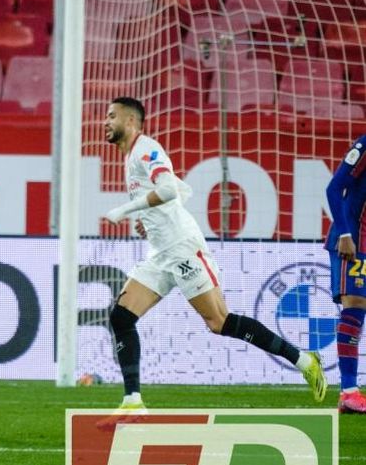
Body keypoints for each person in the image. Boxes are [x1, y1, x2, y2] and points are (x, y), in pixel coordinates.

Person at [101, 96, 326, 412]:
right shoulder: (132, 157)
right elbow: (181, 191)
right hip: (160, 252)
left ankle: (304, 360)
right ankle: (133, 401)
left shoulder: (146, 148)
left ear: (130, 121)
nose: (105, 122)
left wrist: (125, 209)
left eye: (111, 116)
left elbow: (166, 189)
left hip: (182, 248)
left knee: (219, 322)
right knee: (121, 317)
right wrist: (149, 223)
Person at [324, 135, 366, 413]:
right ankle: (349, 390)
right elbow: (334, 188)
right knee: (355, 304)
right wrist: (345, 233)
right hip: (353, 240)